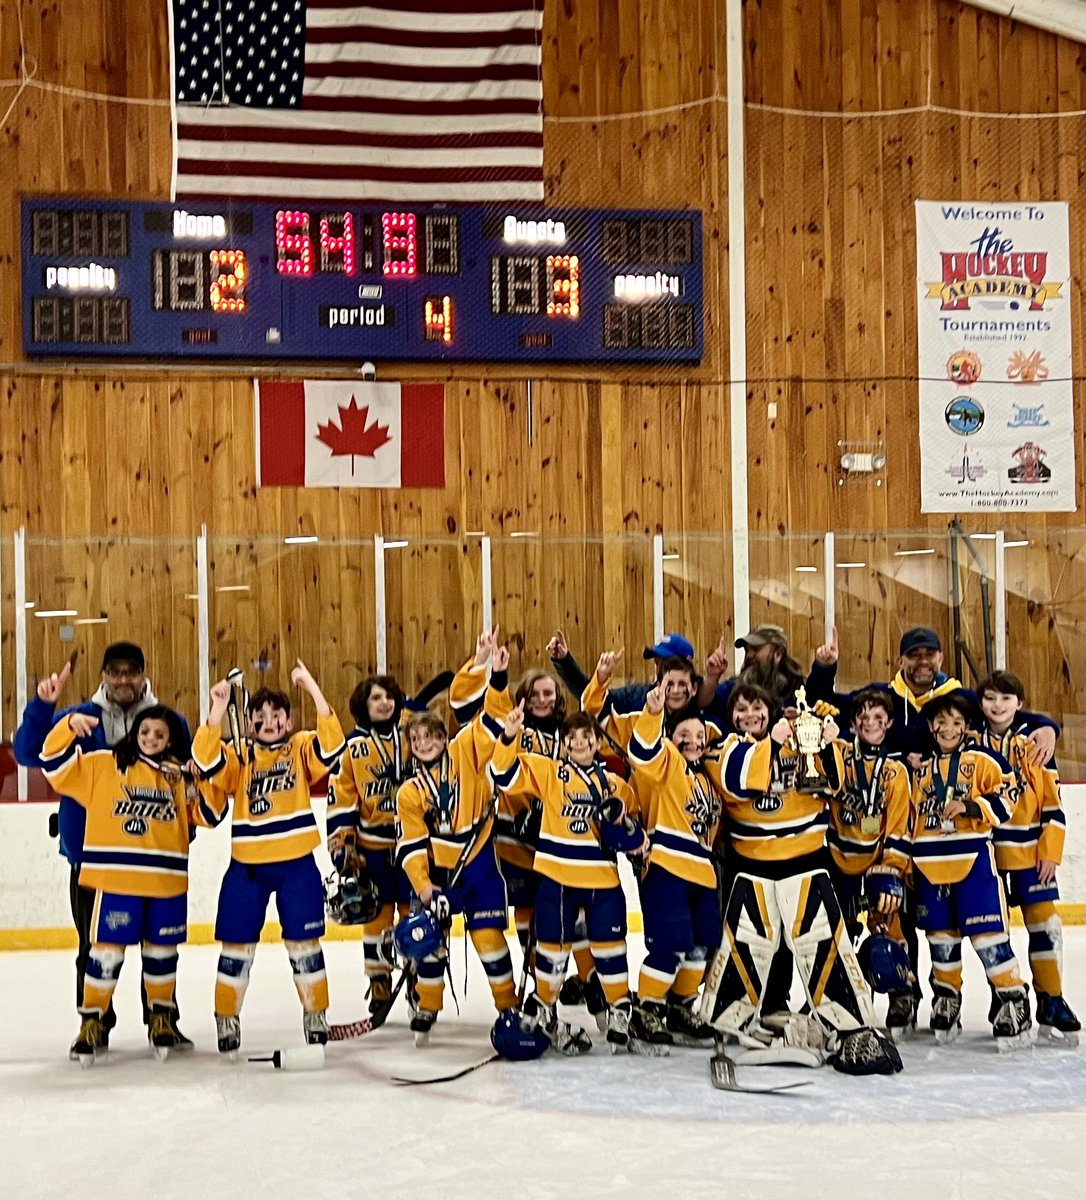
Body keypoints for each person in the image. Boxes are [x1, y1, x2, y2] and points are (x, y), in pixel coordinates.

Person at [699, 684, 901, 1074]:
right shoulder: (723, 749)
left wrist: (823, 742)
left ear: (770, 709)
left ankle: (852, 1027)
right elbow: (738, 781)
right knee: (746, 945)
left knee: (822, 945)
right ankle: (725, 1020)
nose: (749, 715)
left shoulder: (797, 743)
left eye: (757, 707)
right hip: (752, 870)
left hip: (807, 864)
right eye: (741, 709)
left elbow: (832, 784)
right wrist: (772, 745)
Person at [14, 642, 192, 1055]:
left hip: (157, 859)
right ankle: (95, 1023)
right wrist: (44, 708)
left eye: (132, 671)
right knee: (94, 946)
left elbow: (184, 782)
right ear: (103, 676)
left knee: (160, 941)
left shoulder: (169, 721)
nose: (124, 679)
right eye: (115, 671)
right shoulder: (79, 718)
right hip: (91, 856)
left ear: (144, 675)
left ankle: (161, 1018)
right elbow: (30, 754)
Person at [40, 705, 221, 1063]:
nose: (151, 738)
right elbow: (53, 766)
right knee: (105, 954)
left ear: (170, 740)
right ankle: (91, 1023)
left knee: (162, 955)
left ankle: (161, 1018)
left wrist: (203, 778)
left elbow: (211, 816)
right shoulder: (104, 764)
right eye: (146, 731)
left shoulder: (177, 776)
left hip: (166, 883)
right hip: (117, 881)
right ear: (135, 731)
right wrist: (67, 728)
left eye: (160, 734)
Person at [193, 660, 345, 1056]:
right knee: (236, 947)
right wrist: (218, 709)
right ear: (249, 723)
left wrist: (312, 687)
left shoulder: (299, 748)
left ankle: (316, 1014)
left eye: (277, 715)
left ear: (289, 721)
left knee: (305, 944)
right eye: (259, 716)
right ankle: (227, 1016)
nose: (269, 721)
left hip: (298, 864)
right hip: (247, 868)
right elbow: (205, 760)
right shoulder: (239, 755)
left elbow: (332, 745)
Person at [490, 702, 642, 1054]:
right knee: (552, 950)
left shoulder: (616, 785)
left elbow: (634, 830)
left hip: (603, 883)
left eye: (585, 737)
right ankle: (544, 1005)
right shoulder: (549, 773)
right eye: (570, 738)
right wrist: (509, 734)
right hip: (557, 879)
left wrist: (630, 835)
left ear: (595, 742)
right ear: (562, 744)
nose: (578, 743)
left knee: (611, 950)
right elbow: (503, 774)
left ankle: (619, 1009)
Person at [395, 631, 517, 1045]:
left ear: (443, 738)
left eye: (431, 736)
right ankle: (427, 1005)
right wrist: (426, 888)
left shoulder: (466, 751)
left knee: (488, 940)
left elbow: (493, 721)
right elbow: (411, 845)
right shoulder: (409, 792)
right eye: (417, 739)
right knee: (430, 942)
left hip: (478, 863)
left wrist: (496, 675)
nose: (425, 743)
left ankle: (508, 1007)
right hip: (439, 874)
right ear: (411, 747)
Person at [909, 691, 1029, 1049]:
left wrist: (972, 806)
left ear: (966, 726)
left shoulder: (981, 761)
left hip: (973, 864)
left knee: (988, 937)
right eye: (942, 722)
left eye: (957, 722)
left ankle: (1013, 1000)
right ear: (931, 727)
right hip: (930, 870)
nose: (949, 729)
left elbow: (1011, 792)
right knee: (940, 940)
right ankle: (947, 998)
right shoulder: (921, 770)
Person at [975, 671, 1079, 1045]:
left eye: (1006, 699)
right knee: (992, 933)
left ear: (1019, 704)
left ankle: (1052, 999)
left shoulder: (1035, 744)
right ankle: (1004, 996)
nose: (997, 706)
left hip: (1030, 854)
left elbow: (1053, 806)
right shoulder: (972, 744)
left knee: (1045, 924)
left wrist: (1050, 851)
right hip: (986, 856)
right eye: (990, 698)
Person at [625, 685, 724, 1054]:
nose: (693, 741)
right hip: (667, 868)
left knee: (700, 947)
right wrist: (653, 714)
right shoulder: (666, 762)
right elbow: (642, 751)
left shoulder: (709, 779)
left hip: (703, 875)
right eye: (684, 735)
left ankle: (680, 1009)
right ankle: (647, 1010)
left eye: (699, 736)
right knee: (671, 946)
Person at [807, 625, 1058, 763]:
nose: (923, 661)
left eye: (929, 654)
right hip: (891, 808)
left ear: (941, 658)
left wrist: (1048, 727)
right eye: (914, 655)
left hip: (940, 812)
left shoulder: (961, 699)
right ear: (899, 661)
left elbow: (1003, 716)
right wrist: (824, 668)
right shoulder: (879, 698)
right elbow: (820, 705)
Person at [825, 689, 915, 1038]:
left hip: (877, 865)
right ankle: (837, 999)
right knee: (837, 937)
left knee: (887, 935)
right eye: (863, 717)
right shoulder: (839, 755)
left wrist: (892, 867)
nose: (870, 723)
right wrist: (824, 738)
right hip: (837, 862)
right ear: (852, 723)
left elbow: (897, 825)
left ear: (889, 723)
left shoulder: (895, 772)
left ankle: (900, 993)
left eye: (878, 718)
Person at [326, 674, 412, 1016]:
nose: (385, 703)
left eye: (390, 696)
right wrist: (342, 845)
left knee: (413, 914)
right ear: (363, 704)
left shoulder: (411, 735)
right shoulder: (351, 748)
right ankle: (378, 978)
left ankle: (420, 979)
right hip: (372, 848)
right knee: (375, 916)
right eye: (376, 697)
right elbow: (341, 799)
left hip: (412, 846)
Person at [546, 629, 697, 717]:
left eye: (664, 662)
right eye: (656, 662)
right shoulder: (638, 696)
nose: (658, 667)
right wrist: (565, 662)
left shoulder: (704, 704)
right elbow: (595, 700)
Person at [697, 625, 807, 726]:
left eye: (755, 649)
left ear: (778, 654)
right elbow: (703, 704)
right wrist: (712, 677)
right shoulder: (734, 687)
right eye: (746, 650)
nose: (749, 655)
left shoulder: (797, 689)